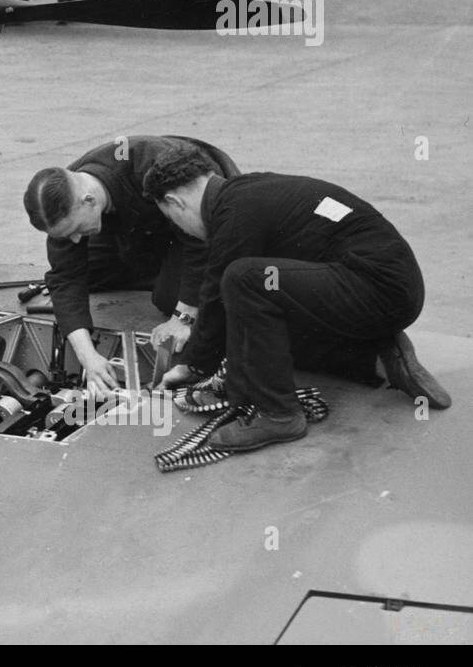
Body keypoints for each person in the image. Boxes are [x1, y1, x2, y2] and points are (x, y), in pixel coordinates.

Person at [143, 146, 450, 452]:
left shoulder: (235, 213)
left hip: (379, 292)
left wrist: (194, 366)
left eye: (172, 219)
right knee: (265, 320)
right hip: (389, 288)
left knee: (243, 278)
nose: (182, 230)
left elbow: (216, 297)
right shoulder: (249, 191)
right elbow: (247, 319)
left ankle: (278, 414)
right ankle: (379, 353)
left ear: (174, 202)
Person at [23, 136, 239, 395]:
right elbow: (66, 278)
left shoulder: (152, 164)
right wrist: (89, 358)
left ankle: (169, 273)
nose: (76, 239)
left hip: (198, 220)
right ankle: (159, 263)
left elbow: (198, 239)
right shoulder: (61, 201)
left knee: (169, 297)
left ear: (88, 200)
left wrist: (183, 317)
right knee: (88, 272)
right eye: (68, 235)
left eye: (77, 229)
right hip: (142, 225)